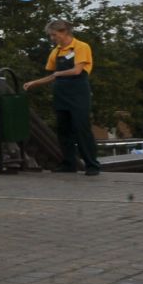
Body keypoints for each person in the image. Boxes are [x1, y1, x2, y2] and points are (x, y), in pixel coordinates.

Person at [25, 19, 102, 175]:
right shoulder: (56, 51)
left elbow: (76, 71)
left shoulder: (81, 46)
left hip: (78, 93)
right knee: (63, 130)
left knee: (81, 128)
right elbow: (53, 75)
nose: (52, 38)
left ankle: (92, 165)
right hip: (61, 93)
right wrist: (34, 83)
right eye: (50, 36)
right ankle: (69, 163)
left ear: (64, 32)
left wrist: (58, 73)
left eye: (54, 35)